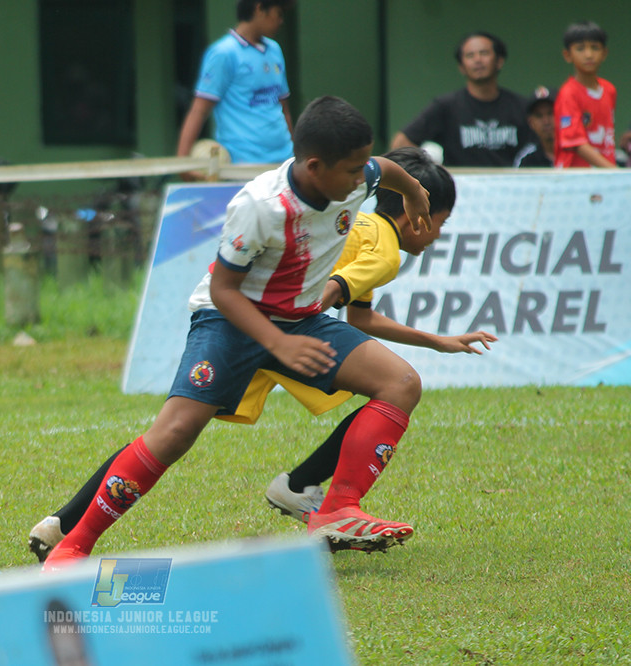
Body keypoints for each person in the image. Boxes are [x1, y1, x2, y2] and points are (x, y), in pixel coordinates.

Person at [29, 147, 496, 561]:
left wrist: (438, 338)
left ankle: (63, 524)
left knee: (397, 382)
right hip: (248, 322)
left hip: (292, 321)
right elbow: (332, 294)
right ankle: (302, 492)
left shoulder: (360, 199)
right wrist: (284, 338)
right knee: (175, 430)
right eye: (441, 220)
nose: (437, 233)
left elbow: (361, 316)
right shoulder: (363, 240)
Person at [176, 0, 294, 180]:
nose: (281, 21)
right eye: (278, 13)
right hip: (244, 168)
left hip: (283, 164)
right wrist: (183, 164)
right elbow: (199, 110)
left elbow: (283, 108)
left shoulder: (275, 50)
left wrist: (294, 153)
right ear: (260, 8)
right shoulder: (223, 53)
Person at [390, 31, 533, 167]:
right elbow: (400, 143)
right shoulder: (446, 107)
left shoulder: (520, 106)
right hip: (460, 188)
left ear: (499, 61)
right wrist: (431, 172)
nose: (478, 60)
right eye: (470, 55)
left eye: (484, 53)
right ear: (461, 67)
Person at [554, 21, 617, 169]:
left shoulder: (609, 90)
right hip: (574, 178)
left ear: (604, 53)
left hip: (605, 174)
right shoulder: (568, 94)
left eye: (595, 48)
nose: (589, 55)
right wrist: (613, 171)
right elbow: (576, 143)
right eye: (580, 49)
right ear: (567, 55)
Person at [514, 87, 556, 168]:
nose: (546, 121)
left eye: (551, 113)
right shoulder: (526, 159)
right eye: (539, 116)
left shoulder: (577, 151)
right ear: (531, 123)